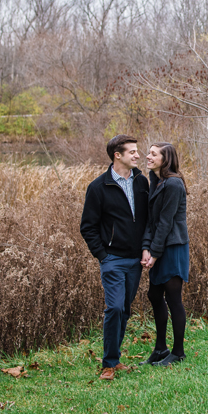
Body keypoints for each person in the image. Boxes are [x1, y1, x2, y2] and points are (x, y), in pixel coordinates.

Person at [80, 135, 149, 380]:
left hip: (135, 260)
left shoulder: (142, 182)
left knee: (124, 310)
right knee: (115, 307)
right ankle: (108, 364)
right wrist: (102, 255)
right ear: (117, 155)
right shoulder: (98, 187)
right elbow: (87, 226)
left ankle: (115, 358)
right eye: (132, 152)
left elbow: (147, 221)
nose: (137, 156)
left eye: (137, 151)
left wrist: (146, 248)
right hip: (113, 259)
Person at [139, 142, 190, 367]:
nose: (147, 157)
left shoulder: (173, 184)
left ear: (165, 159)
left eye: (153, 154)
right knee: (154, 295)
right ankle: (160, 348)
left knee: (173, 298)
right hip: (160, 247)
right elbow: (151, 220)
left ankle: (178, 352)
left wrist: (155, 253)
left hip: (173, 247)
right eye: (148, 153)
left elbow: (166, 222)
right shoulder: (156, 181)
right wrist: (146, 248)